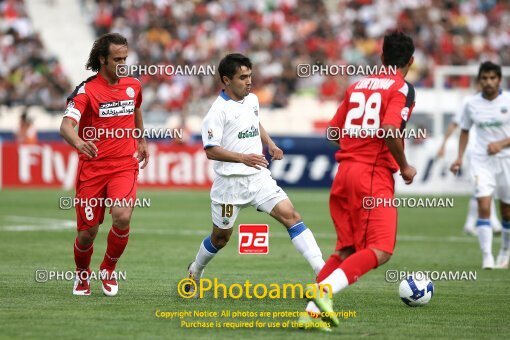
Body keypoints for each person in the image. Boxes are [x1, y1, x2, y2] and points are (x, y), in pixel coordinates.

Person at [302, 31, 417, 329]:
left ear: (382, 57)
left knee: (348, 249)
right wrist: (404, 166)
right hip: (371, 175)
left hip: (344, 175)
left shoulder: (358, 86)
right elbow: (391, 129)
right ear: (411, 61)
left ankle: (312, 304)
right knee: (381, 249)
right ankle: (319, 299)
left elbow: (332, 133)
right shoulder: (401, 88)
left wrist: (354, 149)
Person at [184, 53, 325, 295]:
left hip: (258, 178)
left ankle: (322, 272)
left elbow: (254, 122)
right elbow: (211, 150)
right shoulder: (217, 112)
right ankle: (195, 270)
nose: (249, 81)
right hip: (229, 185)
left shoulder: (252, 100)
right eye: (242, 77)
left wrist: (270, 143)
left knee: (291, 216)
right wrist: (243, 158)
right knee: (220, 239)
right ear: (226, 81)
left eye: (250, 76)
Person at [59, 33, 149, 296]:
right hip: (93, 170)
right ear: (102, 59)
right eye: (117, 59)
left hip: (124, 165)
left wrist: (141, 139)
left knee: (122, 217)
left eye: (125, 59)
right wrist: (78, 142)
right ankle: (81, 276)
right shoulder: (87, 91)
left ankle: (108, 269)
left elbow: (136, 109)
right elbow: (66, 126)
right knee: (87, 233)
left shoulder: (133, 85)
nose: (123, 64)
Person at [450, 61, 510, 269]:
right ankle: (487, 257)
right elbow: (465, 130)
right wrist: (459, 157)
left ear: (499, 80)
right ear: (479, 81)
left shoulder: (508, 101)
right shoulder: (471, 104)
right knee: (484, 205)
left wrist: (501, 144)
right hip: (481, 161)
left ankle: (504, 250)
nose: (488, 82)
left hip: (506, 160)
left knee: (506, 211)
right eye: (484, 78)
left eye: (492, 78)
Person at [437, 98, 502, 236]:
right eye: (483, 78)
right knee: (484, 187)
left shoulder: (498, 102)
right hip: (474, 152)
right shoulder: (468, 102)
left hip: (491, 151)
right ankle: (494, 223)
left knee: (482, 188)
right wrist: (443, 144)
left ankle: (469, 224)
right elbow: (455, 124)